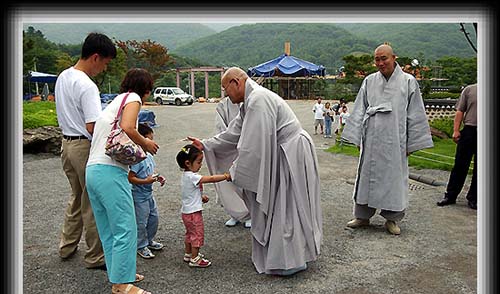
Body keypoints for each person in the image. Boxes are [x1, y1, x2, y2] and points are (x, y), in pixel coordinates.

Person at [189, 67, 322, 276]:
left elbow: (252, 145)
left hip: (290, 152)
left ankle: (291, 259)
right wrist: (206, 144)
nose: (225, 94)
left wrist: (233, 172)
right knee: (282, 205)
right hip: (282, 151)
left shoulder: (258, 100)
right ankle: (285, 256)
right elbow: (234, 133)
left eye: (226, 88)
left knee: (287, 205)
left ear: (236, 82)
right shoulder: (250, 101)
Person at [341, 44, 433, 235]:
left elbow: (415, 115)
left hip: (395, 141)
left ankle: (392, 218)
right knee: (366, 178)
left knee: (394, 180)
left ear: (394, 58)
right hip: (372, 139)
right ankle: (362, 216)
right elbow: (359, 109)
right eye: (377, 59)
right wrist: (357, 137)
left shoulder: (408, 81)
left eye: (384, 58)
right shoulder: (369, 81)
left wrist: (412, 144)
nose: (381, 63)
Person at [86, 68, 159, 294]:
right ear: (145, 88)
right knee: (126, 227)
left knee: (109, 230)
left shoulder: (114, 102)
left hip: (93, 170)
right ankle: (121, 287)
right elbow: (128, 127)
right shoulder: (134, 98)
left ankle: (119, 275)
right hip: (110, 171)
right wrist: (146, 143)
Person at [55, 32, 116, 270]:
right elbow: (93, 125)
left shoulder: (64, 76)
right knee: (92, 201)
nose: (103, 69)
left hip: (66, 144)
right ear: (95, 57)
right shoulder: (87, 85)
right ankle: (95, 256)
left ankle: (67, 246)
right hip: (83, 145)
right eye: (105, 63)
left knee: (76, 196)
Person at [176, 144, 232, 268]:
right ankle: (195, 258)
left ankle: (188, 253)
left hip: (186, 212)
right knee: (197, 234)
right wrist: (225, 176)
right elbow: (210, 178)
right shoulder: (193, 176)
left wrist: (200, 197)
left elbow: (189, 192)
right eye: (198, 162)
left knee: (190, 233)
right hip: (194, 213)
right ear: (187, 163)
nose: (201, 164)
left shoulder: (185, 176)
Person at [128, 123, 165, 259]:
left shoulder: (148, 156)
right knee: (141, 222)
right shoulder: (137, 159)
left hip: (148, 194)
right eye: (150, 139)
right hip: (138, 196)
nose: (153, 142)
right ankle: (141, 245)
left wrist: (157, 177)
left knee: (153, 218)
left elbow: (150, 172)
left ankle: (149, 240)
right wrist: (146, 181)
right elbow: (130, 178)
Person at [437, 83, 477, 210]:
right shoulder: (470, 90)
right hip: (469, 130)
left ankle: (474, 197)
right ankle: (451, 195)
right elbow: (460, 110)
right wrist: (456, 130)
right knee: (460, 165)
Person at [213, 97, 251, 228]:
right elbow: (220, 127)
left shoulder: (250, 101)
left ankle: (250, 214)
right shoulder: (223, 105)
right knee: (230, 183)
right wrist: (227, 141)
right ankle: (234, 214)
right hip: (229, 148)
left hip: (246, 146)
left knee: (246, 182)